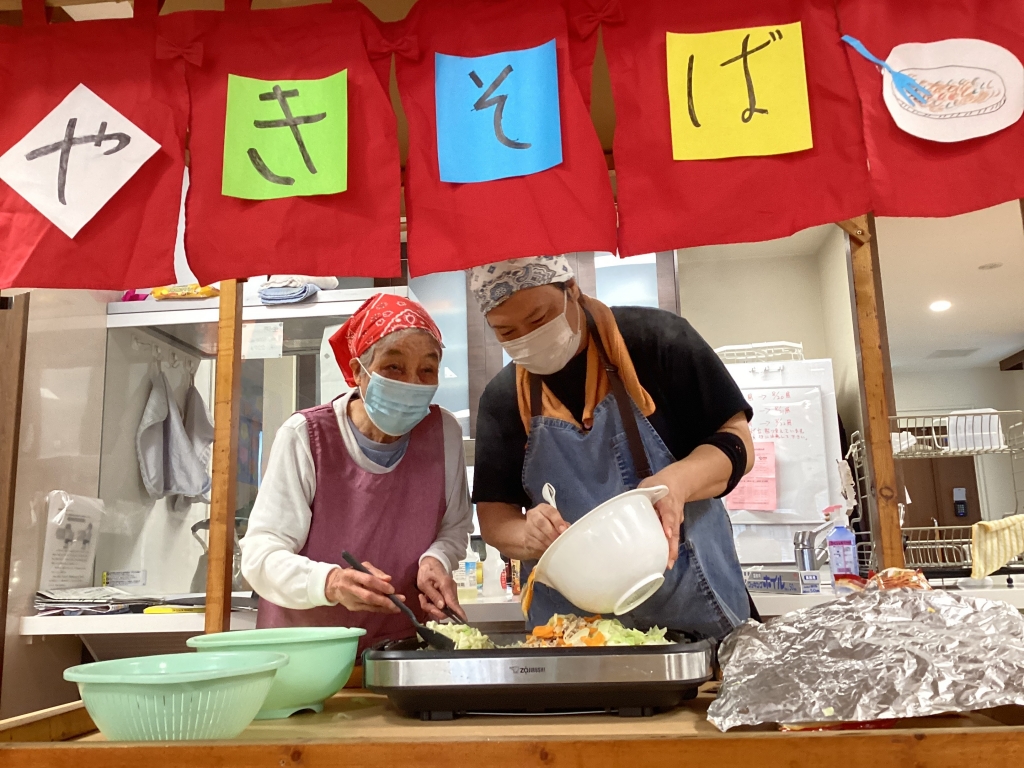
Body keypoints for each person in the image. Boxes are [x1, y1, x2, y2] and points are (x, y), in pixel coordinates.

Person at [470, 256, 756, 640]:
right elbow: (494, 516)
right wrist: (526, 535)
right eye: (507, 333)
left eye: (538, 319)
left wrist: (678, 482)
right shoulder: (503, 399)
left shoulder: (658, 340)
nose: (526, 338)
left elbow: (736, 443)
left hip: (692, 617)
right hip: (572, 635)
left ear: (571, 290)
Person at [241, 293, 473, 653]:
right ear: (359, 372)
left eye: (427, 370)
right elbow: (260, 556)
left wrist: (436, 560)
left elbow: (454, 528)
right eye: (393, 367)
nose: (413, 382)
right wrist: (331, 582)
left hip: (402, 653)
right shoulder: (305, 436)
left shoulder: (443, 432)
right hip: (307, 657)